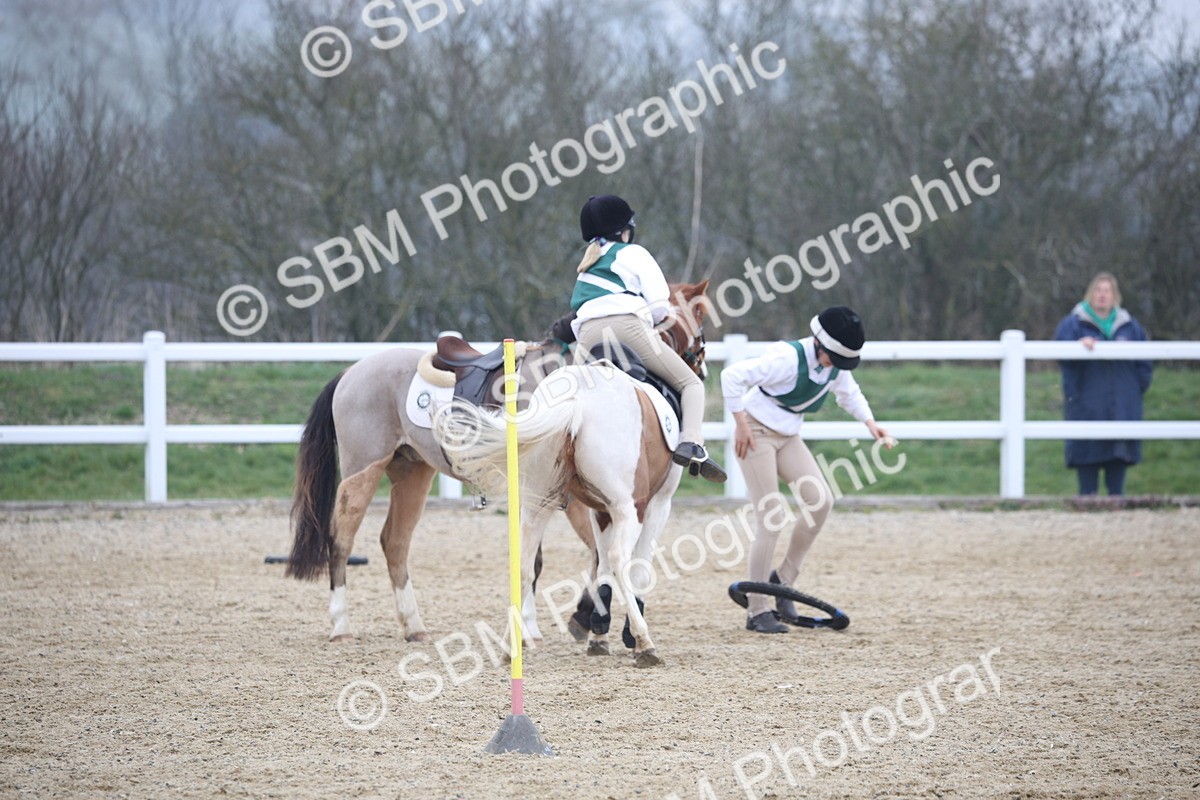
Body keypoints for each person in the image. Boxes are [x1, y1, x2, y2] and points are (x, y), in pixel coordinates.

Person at [721, 307, 892, 633]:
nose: (837, 368)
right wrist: (740, 423)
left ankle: (782, 583)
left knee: (820, 501)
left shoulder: (834, 364)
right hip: (756, 432)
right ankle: (757, 610)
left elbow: (849, 393)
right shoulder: (785, 358)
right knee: (770, 517)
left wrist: (871, 424)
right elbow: (731, 376)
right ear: (820, 345)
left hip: (788, 435)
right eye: (834, 359)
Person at [569, 194, 725, 482]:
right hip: (628, 330)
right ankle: (693, 443)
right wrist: (653, 319)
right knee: (691, 384)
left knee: (566, 396)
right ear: (625, 230)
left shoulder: (585, 264)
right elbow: (660, 304)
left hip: (587, 338)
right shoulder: (634, 253)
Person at [1053, 272, 1152, 496]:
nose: (1102, 296)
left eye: (1107, 291)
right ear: (1091, 293)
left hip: (1122, 409)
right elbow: (1060, 354)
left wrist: (1132, 392)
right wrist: (1077, 347)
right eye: (1098, 290)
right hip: (1086, 406)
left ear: (1114, 295)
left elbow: (1144, 366)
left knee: (1117, 470)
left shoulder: (1130, 327)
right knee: (1087, 468)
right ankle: (1088, 515)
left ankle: (1115, 516)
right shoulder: (1074, 325)